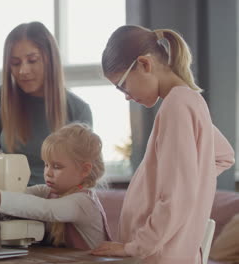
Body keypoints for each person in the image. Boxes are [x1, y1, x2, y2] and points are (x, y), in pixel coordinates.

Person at [90, 25, 235, 264]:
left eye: (123, 86)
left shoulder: (176, 106)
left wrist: (136, 247)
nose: (126, 96)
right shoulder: (189, 101)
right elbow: (223, 155)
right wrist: (191, 183)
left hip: (158, 255)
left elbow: (176, 196)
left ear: (145, 65)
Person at [0, 123, 111, 249]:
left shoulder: (84, 202)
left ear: (84, 170)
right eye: (46, 165)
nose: (48, 173)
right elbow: (18, 195)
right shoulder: (48, 191)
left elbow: (46, 209)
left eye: (57, 167)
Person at [0, 21, 93, 186]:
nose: (23, 71)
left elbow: (86, 178)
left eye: (32, 60)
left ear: (50, 60)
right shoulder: (1, 98)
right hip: (8, 202)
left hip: (56, 205)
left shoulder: (79, 110)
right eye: (15, 63)